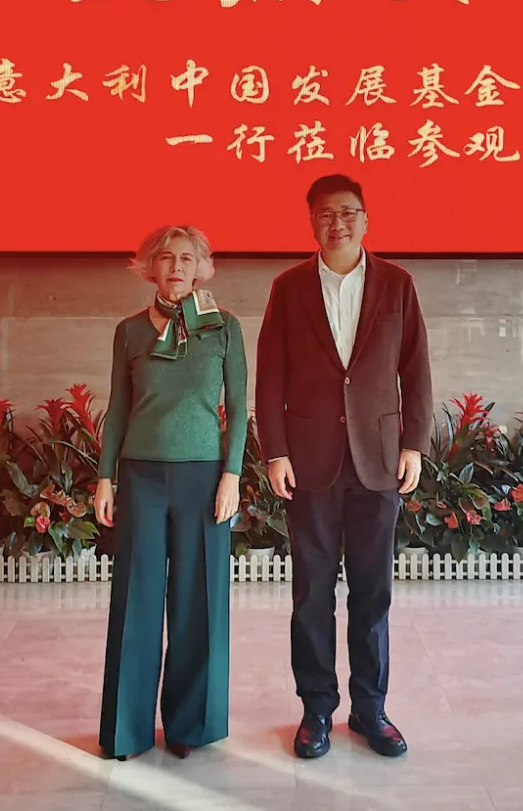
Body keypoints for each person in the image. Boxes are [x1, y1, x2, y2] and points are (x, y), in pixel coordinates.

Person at [255, 174, 432, 760]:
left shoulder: (398, 284)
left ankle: (370, 709)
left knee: (372, 592)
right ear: (312, 222)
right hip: (310, 462)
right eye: (327, 214)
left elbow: (416, 368)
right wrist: (275, 451)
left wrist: (414, 444)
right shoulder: (288, 288)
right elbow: (271, 375)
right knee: (311, 594)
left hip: (378, 460)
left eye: (348, 212)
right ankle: (316, 711)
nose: (338, 223)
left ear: (365, 219)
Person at [94, 225, 247, 761]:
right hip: (140, 477)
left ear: (202, 268)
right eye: (165, 257)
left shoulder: (225, 327)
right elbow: (117, 407)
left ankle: (190, 727)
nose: (176, 267)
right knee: (135, 602)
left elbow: (239, 408)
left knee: (197, 604)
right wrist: (105, 476)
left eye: (187, 258)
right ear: (148, 267)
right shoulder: (129, 331)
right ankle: (126, 732)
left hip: (204, 480)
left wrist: (232, 475)